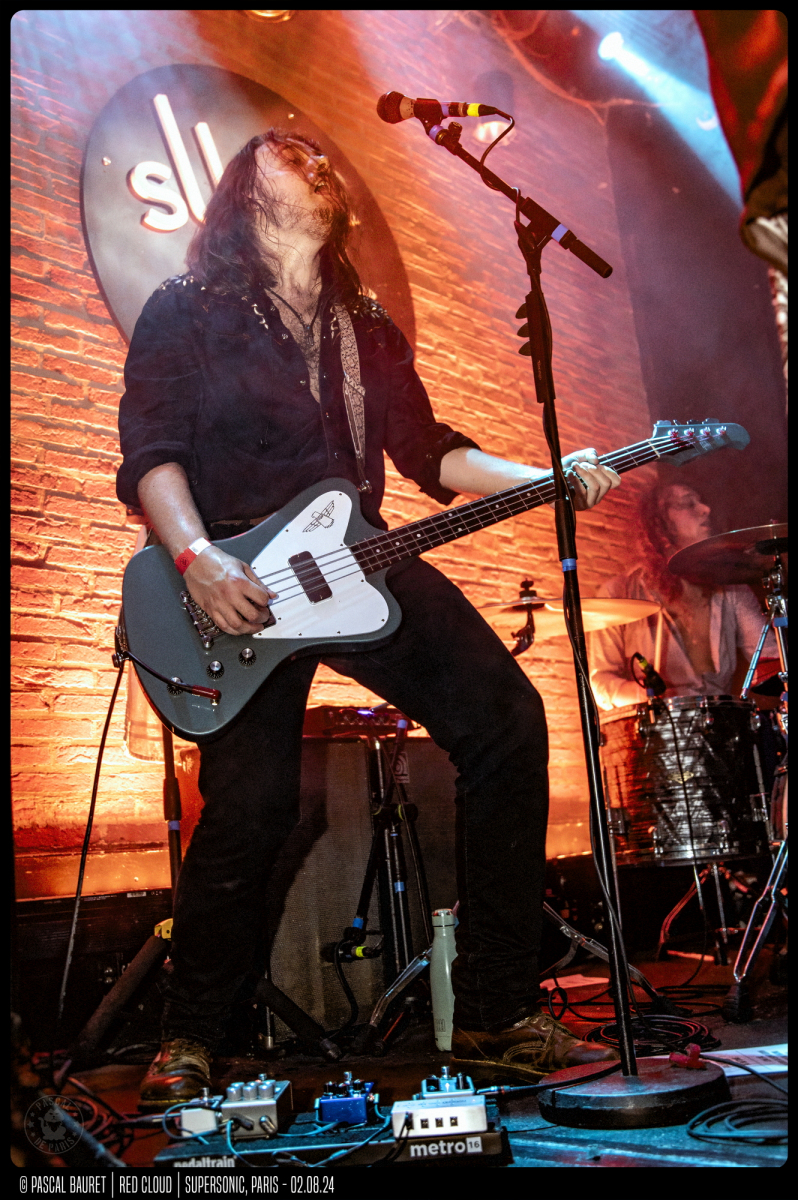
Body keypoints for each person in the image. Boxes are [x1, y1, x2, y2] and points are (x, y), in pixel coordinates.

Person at [116, 129, 621, 1109]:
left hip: (356, 562)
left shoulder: (365, 323)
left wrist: (549, 476)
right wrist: (197, 559)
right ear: (243, 190)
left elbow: (431, 453)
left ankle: (495, 1011)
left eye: (323, 155)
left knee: (507, 724)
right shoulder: (189, 306)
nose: (318, 160)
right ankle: (190, 1036)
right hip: (237, 580)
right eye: (290, 152)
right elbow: (151, 450)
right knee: (254, 803)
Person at [589, 481, 779, 709]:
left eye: (701, 502)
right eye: (688, 504)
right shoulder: (619, 594)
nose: (705, 509)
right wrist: (647, 693)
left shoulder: (731, 589)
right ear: (659, 525)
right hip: (657, 725)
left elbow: (770, 658)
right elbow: (601, 682)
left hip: (720, 723)